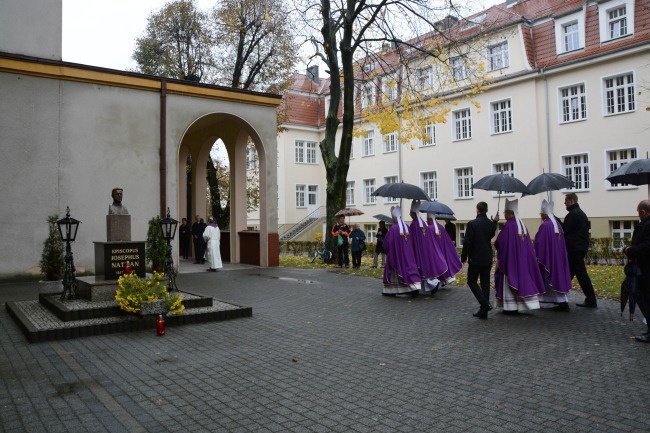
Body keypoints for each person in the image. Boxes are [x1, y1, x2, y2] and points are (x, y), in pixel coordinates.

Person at [494, 199, 546, 313]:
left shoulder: (508, 226)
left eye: (505, 213)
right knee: (521, 280)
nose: (504, 215)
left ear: (509, 213)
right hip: (522, 261)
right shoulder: (522, 224)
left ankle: (510, 307)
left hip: (511, 261)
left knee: (509, 281)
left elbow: (500, 242)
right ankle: (521, 306)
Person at [461, 201, 498, 319]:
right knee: (485, 284)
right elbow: (491, 235)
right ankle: (484, 312)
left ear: (477, 209)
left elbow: (467, 242)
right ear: (486, 210)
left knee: (471, 281)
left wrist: (463, 257)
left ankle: (485, 304)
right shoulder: (490, 224)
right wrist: (495, 222)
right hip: (487, 257)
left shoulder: (472, 224)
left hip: (476, 258)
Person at [534, 200, 572, 312]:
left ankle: (562, 303)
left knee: (551, 278)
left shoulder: (546, 225)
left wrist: (534, 251)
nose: (540, 215)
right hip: (558, 258)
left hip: (549, 258)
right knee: (556, 279)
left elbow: (539, 242)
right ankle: (560, 301)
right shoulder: (557, 224)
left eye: (541, 213)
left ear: (545, 213)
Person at [563, 192, 597, 308]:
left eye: (566, 201)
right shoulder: (579, 213)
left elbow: (565, 229)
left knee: (581, 274)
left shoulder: (574, 214)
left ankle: (591, 299)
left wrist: (555, 219)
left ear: (572, 200)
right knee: (569, 274)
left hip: (575, 249)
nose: (564, 203)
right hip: (578, 247)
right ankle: (561, 298)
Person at [624, 200, 650, 343]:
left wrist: (630, 250)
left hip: (645, 269)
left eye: (638, 212)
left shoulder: (647, 225)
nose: (638, 215)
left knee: (644, 298)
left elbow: (646, 246)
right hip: (644, 268)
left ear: (643, 212)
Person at [382, 206, 421, 296]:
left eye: (392, 216)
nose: (392, 218)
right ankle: (414, 288)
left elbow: (387, 244)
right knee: (409, 270)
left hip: (397, 255)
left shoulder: (393, 229)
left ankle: (391, 291)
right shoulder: (407, 226)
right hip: (409, 255)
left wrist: (387, 249)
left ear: (395, 217)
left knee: (394, 270)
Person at [409, 201, 444, 294]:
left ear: (413, 213)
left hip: (417, 252)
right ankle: (431, 285)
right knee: (426, 272)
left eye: (410, 213)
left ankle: (421, 288)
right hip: (426, 251)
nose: (410, 215)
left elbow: (411, 239)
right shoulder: (423, 223)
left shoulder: (414, 224)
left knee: (419, 271)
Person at [426, 212, 462, 287]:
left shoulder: (429, 228)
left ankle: (437, 282)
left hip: (435, 251)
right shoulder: (441, 227)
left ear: (430, 219)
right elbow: (447, 239)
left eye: (427, 220)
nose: (427, 221)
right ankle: (445, 279)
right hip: (442, 249)